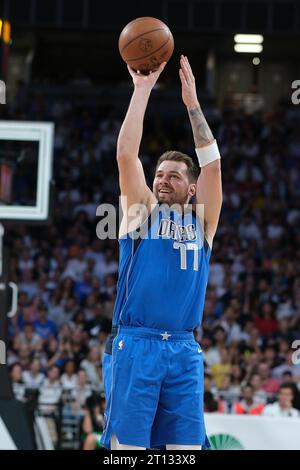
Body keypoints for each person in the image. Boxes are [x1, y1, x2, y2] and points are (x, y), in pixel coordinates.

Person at [101, 55, 222, 450]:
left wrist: (192, 104)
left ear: (191, 188)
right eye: (158, 174)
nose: (163, 180)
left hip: (184, 348)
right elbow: (125, 156)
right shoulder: (142, 212)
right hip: (137, 343)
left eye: (174, 175)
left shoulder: (204, 222)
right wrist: (142, 90)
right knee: (129, 451)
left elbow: (213, 167)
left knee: (184, 452)